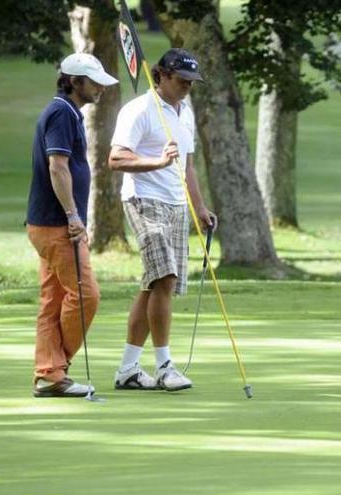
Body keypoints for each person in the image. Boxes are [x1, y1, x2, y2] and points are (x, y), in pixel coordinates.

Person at [108, 48, 214, 392]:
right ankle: (165, 365)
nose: (188, 87)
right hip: (142, 200)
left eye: (192, 82)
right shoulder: (138, 110)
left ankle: (128, 369)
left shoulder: (186, 112)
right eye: (182, 80)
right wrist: (156, 161)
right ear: (162, 76)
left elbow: (187, 166)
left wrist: (199, 207)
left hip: (176, 205)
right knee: (165, 277)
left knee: (153, 284)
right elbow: (116, 158)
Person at [26, 53, 118, 397]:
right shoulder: (62, 113)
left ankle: (49, 373)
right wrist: (74, 217)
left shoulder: (67, 113)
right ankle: (54, 369)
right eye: (94, 82)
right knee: (86, 295)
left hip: (47, 223)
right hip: (56, 224)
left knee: (53, 300)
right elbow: (57, 167)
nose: (100, 89)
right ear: (74, 81)